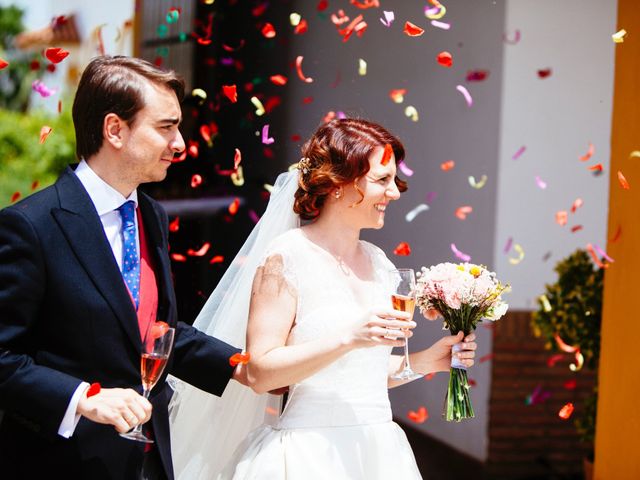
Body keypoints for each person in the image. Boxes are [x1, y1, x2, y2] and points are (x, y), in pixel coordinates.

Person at [169, 118, 477, 479]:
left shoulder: (381, 264)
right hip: (308, 454)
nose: (394, 192)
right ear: (338, 184)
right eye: (382, 180)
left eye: (394, 180)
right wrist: (348, 337)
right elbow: (260, 373)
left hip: (378, 453)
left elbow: (359, 376)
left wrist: (426, 361)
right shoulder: (286, 257)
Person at [0, 55, 248, 480]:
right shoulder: (30, 226)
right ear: (115, 129)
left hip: (149, 460)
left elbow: (153, 332)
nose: (181, 144)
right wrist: (83, 398)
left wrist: (246, 366)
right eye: (166, 127)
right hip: (62, 464)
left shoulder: (149, 214)